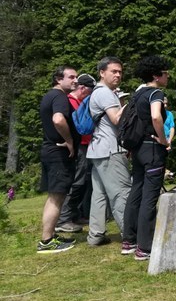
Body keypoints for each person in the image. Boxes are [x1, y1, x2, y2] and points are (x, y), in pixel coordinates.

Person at [122, 56, 171, 261]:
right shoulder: (155, 93)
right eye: (165, 72)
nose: (168, 76)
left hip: (138, 148)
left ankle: (129, 240)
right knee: (149, 197)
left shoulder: (138, 93)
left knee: (136, 192)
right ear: (156, 75)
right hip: (152, 149)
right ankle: (144, 246)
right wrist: (163, 139)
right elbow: (156, 117)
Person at [86, 56, 132, 250]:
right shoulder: (104, 93)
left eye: (120, 71)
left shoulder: (101, 92)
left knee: (100, 194)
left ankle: (95, 234)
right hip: (110, 150)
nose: (118, 75)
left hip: (98, 150)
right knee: (121, 193)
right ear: (102, 72)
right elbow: (116, 119)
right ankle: (130, 236)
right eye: (114, 71)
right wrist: (132, 103)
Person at [37, 66, 80, 253]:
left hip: (49, 151)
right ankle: (46, 241)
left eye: (76, 77)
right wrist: (69, 140)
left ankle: (50, 236)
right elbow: (58, 119)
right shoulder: (60, 97)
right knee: (56, 196)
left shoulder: (49, 96)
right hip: (58, 154)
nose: (75, 81)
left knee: (55, 196)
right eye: (71, 77)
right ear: (58, 79)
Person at [55, 73, 96, 233]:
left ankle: (74, 214)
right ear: (83, 88)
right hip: (78, 147)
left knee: (84, 181)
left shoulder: (79, 102)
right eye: (91, 90)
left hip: (85, 145)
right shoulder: (69, 102)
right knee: (77, 181)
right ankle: (63, 219)